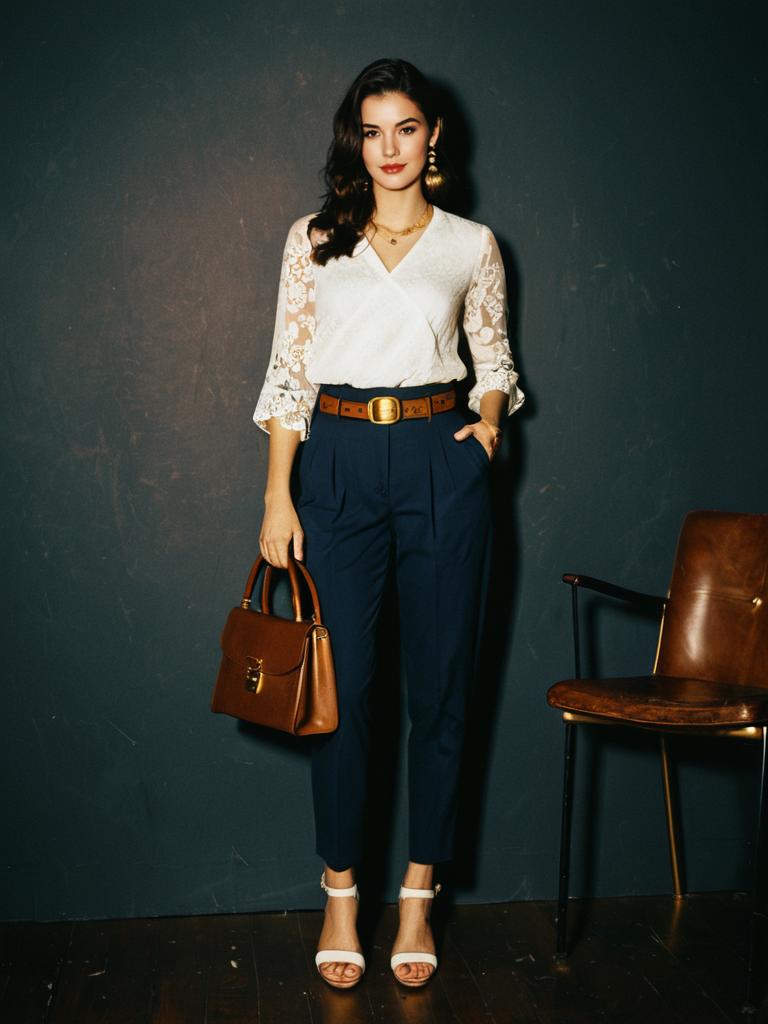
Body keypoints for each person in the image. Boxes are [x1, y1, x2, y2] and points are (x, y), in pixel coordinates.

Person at [252, 56, 525, 990]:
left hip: (440, 463)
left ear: (433, 135)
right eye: (372, 131)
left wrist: (483, 432)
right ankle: (340, 889)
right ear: (354, 142)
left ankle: (417, 892)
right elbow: (288, 374)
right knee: (346, 689)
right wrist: (276, 495)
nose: (390, 149)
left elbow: (494, 358)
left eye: (405, 128)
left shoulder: (472, 246)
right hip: (333, 463)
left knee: (443, 688)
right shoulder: (314, 240)